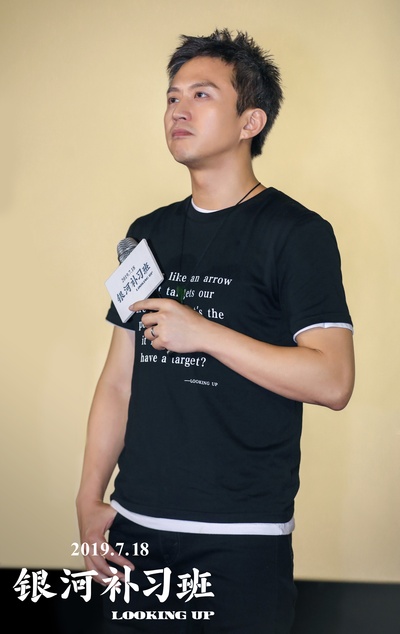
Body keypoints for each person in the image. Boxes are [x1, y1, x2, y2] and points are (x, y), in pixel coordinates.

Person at [76, 28, 355, 633]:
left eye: (201, 95)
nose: (178, 109)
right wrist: (88, 498)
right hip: (135, 533)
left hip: (242, 541)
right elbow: (119, 380)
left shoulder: (298, 234)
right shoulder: (146, 233)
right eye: (172, 96)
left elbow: (333, 380)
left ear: (251, 121)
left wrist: (203, 333)